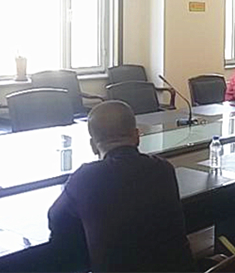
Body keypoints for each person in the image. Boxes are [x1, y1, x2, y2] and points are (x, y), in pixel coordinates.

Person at [48, 101, 196, 272]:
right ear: (137, 136)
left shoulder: (84, 179)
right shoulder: (163, 168)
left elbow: (56, 220)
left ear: (93, 146)